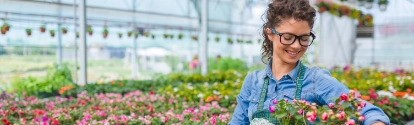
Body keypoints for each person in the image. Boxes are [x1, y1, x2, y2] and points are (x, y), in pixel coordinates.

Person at [228, 0, 389, 125]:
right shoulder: (252, 81)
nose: (297, 45)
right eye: (288, 37)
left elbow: (368, 112)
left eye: (304, 39)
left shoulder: (315, 79)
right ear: (269, 33)